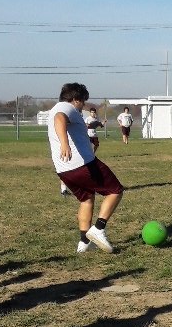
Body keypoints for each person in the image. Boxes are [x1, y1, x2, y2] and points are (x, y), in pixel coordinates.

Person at [48, 82, 124, 253]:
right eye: (82, 101)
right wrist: (65, 144)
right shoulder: (66, 108)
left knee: (86, 199)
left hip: (64, 170)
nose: (83, 105)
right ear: (75, 99)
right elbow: (60, 118)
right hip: (82, 164)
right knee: (115, 191)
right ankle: (98, 229)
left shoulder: (56, 108)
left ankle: (84, 243)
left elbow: (72, 126)